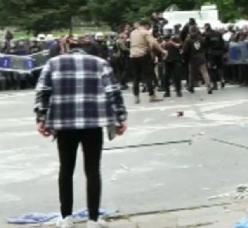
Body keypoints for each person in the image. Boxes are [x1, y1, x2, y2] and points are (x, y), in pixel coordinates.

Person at [33, 42, 127, 228]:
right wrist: (120, 117)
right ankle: (92, 219)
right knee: (93, 170)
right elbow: (113, 92)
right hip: (93, 123)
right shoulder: (100, 63)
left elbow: (43, 91)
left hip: (64, 123)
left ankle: (66, 217)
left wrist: (41, 118)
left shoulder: (53, 63)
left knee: (65, 169)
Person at [130, 20, 167, 104]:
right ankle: (152, 96)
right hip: (143, 55)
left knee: (136, 77)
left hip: (133, 56)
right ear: (146, 25)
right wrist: (162, 50)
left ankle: (136, 97)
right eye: (149, 27)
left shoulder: (132, 33)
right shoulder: (145, 32)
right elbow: (153, 42)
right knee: (148, 76)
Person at [183, 26, 212, 94]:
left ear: (190, 31)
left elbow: (185, 50)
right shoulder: (201, 38)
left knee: (192, 73)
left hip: (192, 58)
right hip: (201, 57)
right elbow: (205, 47)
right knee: (204, 72)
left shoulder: (188, 40)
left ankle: (191, 87)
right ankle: (209, 86)